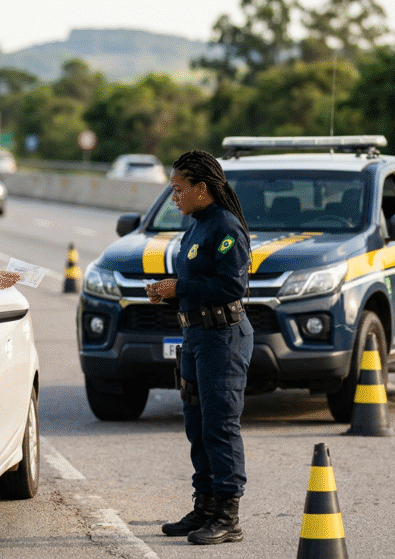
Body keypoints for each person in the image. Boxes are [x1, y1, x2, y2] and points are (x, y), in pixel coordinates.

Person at [146, 149, 253, 545]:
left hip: (223, 338)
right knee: (196, 421)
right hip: (195, 337)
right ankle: (204, 505)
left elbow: (231, 286)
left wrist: (180, 287)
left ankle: (228, 515)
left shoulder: (225, 227)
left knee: (220, 424)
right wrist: (167, 291)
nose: (174, 196)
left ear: (201, 189)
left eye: (178, 188)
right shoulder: (197, 225)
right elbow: (195, 279)